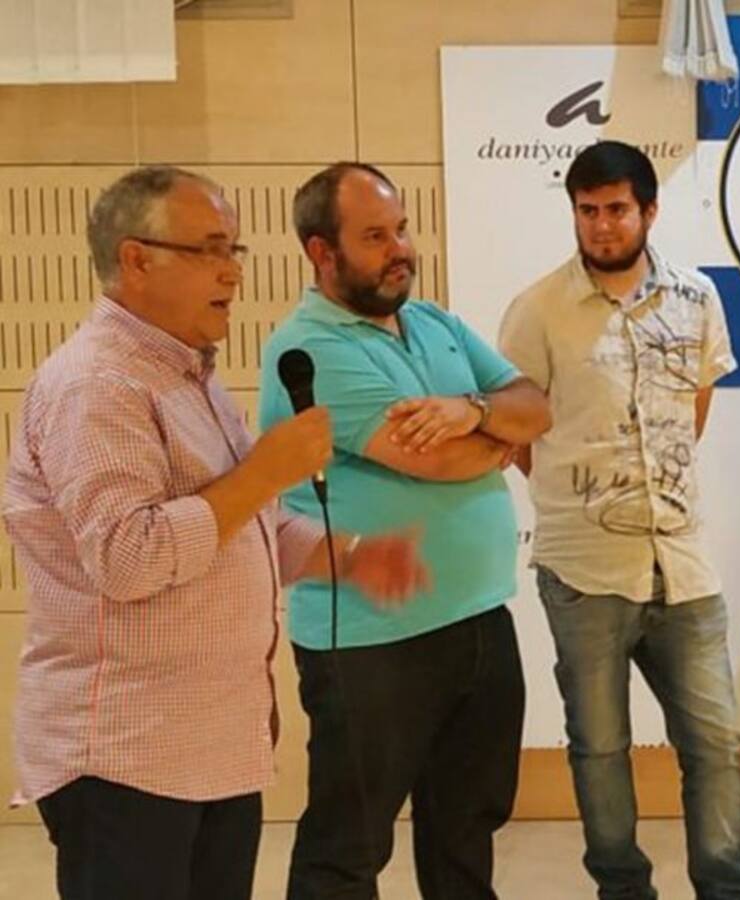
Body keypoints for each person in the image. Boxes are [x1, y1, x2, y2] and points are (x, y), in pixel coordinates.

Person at [2, 166, 425, 900]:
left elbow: (238, 522)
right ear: (136, 260)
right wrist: (265, 472)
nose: (232, 271)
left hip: (211, 748)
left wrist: (349, 557)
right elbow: (127, 557)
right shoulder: (97, 386)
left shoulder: (184, 374)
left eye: (235, 249)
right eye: (208, 249)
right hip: (127, 759)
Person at [259, 162, 551, 900]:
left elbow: (535, 407)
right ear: (322, 252)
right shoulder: (310, 348)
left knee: (466, 829)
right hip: (371, 641)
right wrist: (492, 432)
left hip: (478, 618)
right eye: (375, 237)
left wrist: (473, 412)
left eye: (402, 229)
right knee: (348, 848)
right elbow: (438, 461)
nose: (401, 249)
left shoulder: (434, 323)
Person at [499, 140, 740, 900]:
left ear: (649, 210)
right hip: (583, 570)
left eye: (616, 209)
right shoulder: (538, 310)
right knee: (600, 747)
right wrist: (587, 499)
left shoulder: (697, 299)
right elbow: (519, 432)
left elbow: (693, 409)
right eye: (587, 211)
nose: (602, 225)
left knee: (716, 743)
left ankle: (725, 887)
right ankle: (622, 889)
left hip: (683, 564)